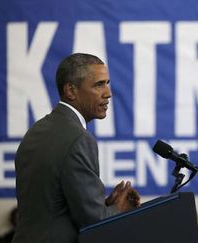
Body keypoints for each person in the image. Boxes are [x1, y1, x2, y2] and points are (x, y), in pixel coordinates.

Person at [13, 53, 140, 243]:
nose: (108, 93)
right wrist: (119, 209)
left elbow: (54, 207)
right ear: (71, 91)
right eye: (99, 85)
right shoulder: (80, 139)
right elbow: (95, 222)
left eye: (107, 83)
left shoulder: (36, 131)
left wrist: (105, 205)